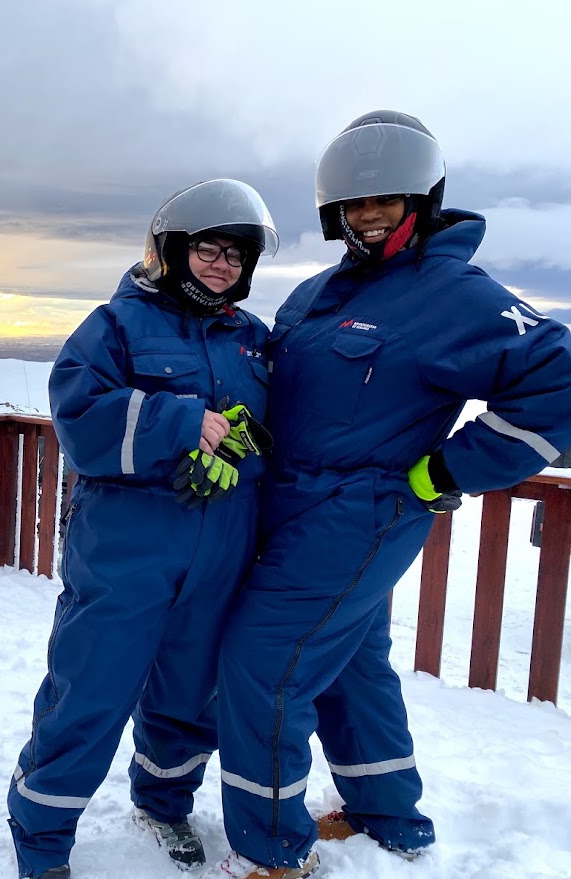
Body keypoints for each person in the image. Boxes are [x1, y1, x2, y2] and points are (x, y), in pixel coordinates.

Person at [207, 111, 571, 879]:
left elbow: (559, 381)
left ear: (424, 201)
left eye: (386, 200)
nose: (368, 216)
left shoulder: (453, 293)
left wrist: (447, 470)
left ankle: (271, 853)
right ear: (332, 214)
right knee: (348, 663)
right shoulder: (317, 292)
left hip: (359, 512)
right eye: (354, 205)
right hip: (288, 502)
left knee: (262, 664)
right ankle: (387, 815)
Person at [6, 179, 279, 879]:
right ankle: (39, 833)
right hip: (127, 547)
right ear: (170, 250)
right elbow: (77, 412)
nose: (222, 265)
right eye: (209, 249)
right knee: (90, 688)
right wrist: (180, 422)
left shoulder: (252, 341)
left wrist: (249, 446)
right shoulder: (117, 324)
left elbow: (282, 431)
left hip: (220, 547)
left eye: (236, 256)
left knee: (189, 695)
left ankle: (162, 801)